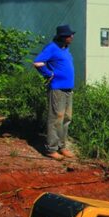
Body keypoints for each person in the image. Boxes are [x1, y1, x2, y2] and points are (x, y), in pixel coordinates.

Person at [33, 24, 77, 160]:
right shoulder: (52, 48)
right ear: (63, 37)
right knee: (56, 118)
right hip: (57, 89)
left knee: (67, 118)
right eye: (70, 35)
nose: (72, 37)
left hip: (68, 89)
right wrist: (48, 74)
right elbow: (38, 63)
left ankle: (62, 147)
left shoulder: (65, 49)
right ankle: (51, 149)